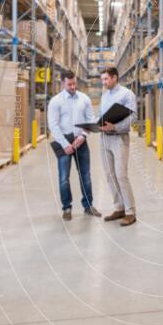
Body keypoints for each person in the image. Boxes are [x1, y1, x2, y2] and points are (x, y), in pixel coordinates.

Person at [47, 70, 101, 221]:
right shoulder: (56, 101)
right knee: (64, 177)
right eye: (69, 84)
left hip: (80, 141)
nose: (72, 86)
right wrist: (65, 144)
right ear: (63, 82)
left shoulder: (84, 99)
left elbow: (91, 120)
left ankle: (88, 206)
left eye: (74, 83)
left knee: (86, 175)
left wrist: (83, 136)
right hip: (63, 140)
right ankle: (67, 208)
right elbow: (53, 125)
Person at [98, 67, 137, 226]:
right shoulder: (104, 95)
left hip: (119, 138)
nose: (104, 82)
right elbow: (102, 116)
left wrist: (115, 127)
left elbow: (133, 117)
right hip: (104, 139)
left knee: (121, 175)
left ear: (115, 77)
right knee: (110, 175)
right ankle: (119, 207)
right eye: (102, 79)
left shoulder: (127, 94)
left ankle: (130, 212)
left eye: (106, 79)